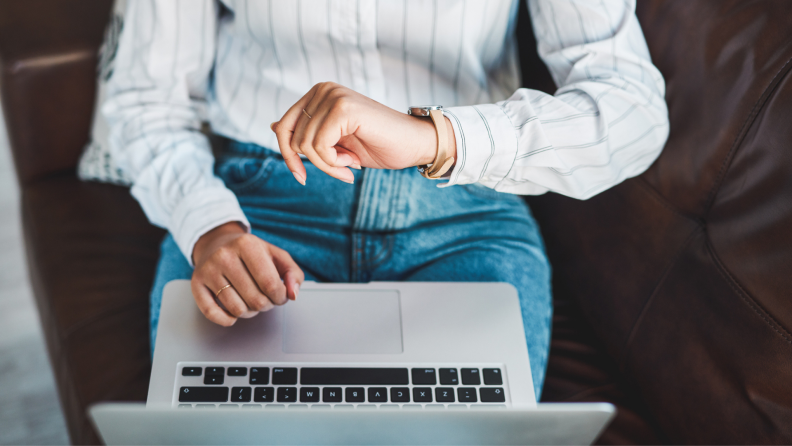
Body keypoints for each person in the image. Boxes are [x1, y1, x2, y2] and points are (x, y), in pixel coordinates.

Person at [104, 0, 668, 400]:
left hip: (465, 210)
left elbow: (630, 108)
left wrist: (432, 138)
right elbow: (145, 102)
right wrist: (210, 229)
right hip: (256, 212)